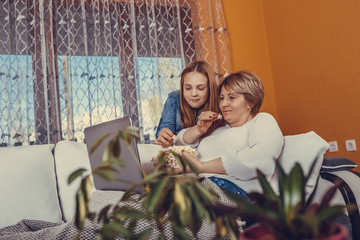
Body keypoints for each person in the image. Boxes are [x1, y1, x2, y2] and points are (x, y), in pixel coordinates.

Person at [174, 70, 284, 195]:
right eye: (222, 98)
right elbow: (179, 143)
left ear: (251, 102)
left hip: (229, 191)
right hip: (195, 183)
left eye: (232, 97)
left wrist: (202, 167)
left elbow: (261, 160)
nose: (224, 104)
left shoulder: (262, 120)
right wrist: (199, 129)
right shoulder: (219, 129)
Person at [154, 60, 224, 147]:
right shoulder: (174, 99)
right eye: (188, 88)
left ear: (210, 88)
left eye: (201, 88)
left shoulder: (222, 101)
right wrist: (164, 139)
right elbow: (164, 133)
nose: (194, 94)